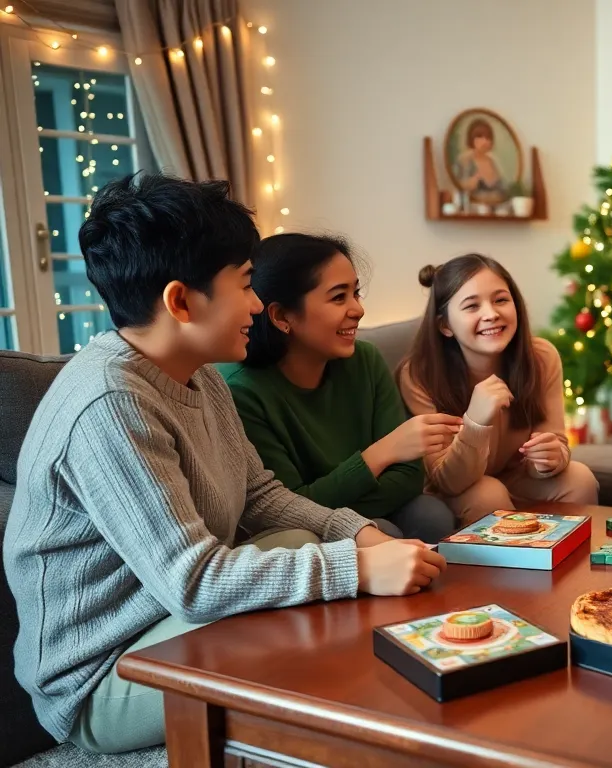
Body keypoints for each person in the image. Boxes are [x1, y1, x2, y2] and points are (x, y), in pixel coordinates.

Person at [2, 173, 446, 755]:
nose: (257, 304)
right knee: (326, 618)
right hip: (102, 679)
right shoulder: (109, 404)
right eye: (244, 284)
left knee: (302, 547)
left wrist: (355, 532)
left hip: (166, 623)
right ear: (181, 302)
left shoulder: (201, 376)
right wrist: (356, 569)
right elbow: (194, 582)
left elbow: (260, 495)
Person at [219, 233, 460, 543]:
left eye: (355, 293)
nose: (358, 309)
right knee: (381, 531)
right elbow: (285, 508)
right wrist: (379, 455)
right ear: (281, 316)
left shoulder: (366, 360)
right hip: (298, 533)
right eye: (338, 297)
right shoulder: (241, 390)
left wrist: (339, 501)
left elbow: (409, 478)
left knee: (430, 514)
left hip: (344, 507)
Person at [398, 255, 598, 524]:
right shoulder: (420, 374)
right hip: (456, 487)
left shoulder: (541, 357)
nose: (491, 314)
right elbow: (447, 480)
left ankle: (567, 552)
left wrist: (549, 459)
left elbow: (554, 441)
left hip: (515, 476)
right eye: (472, 306)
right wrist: (475, 421)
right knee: (488, 494)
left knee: (579, 479)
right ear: (445, 325)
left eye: (501, 300)